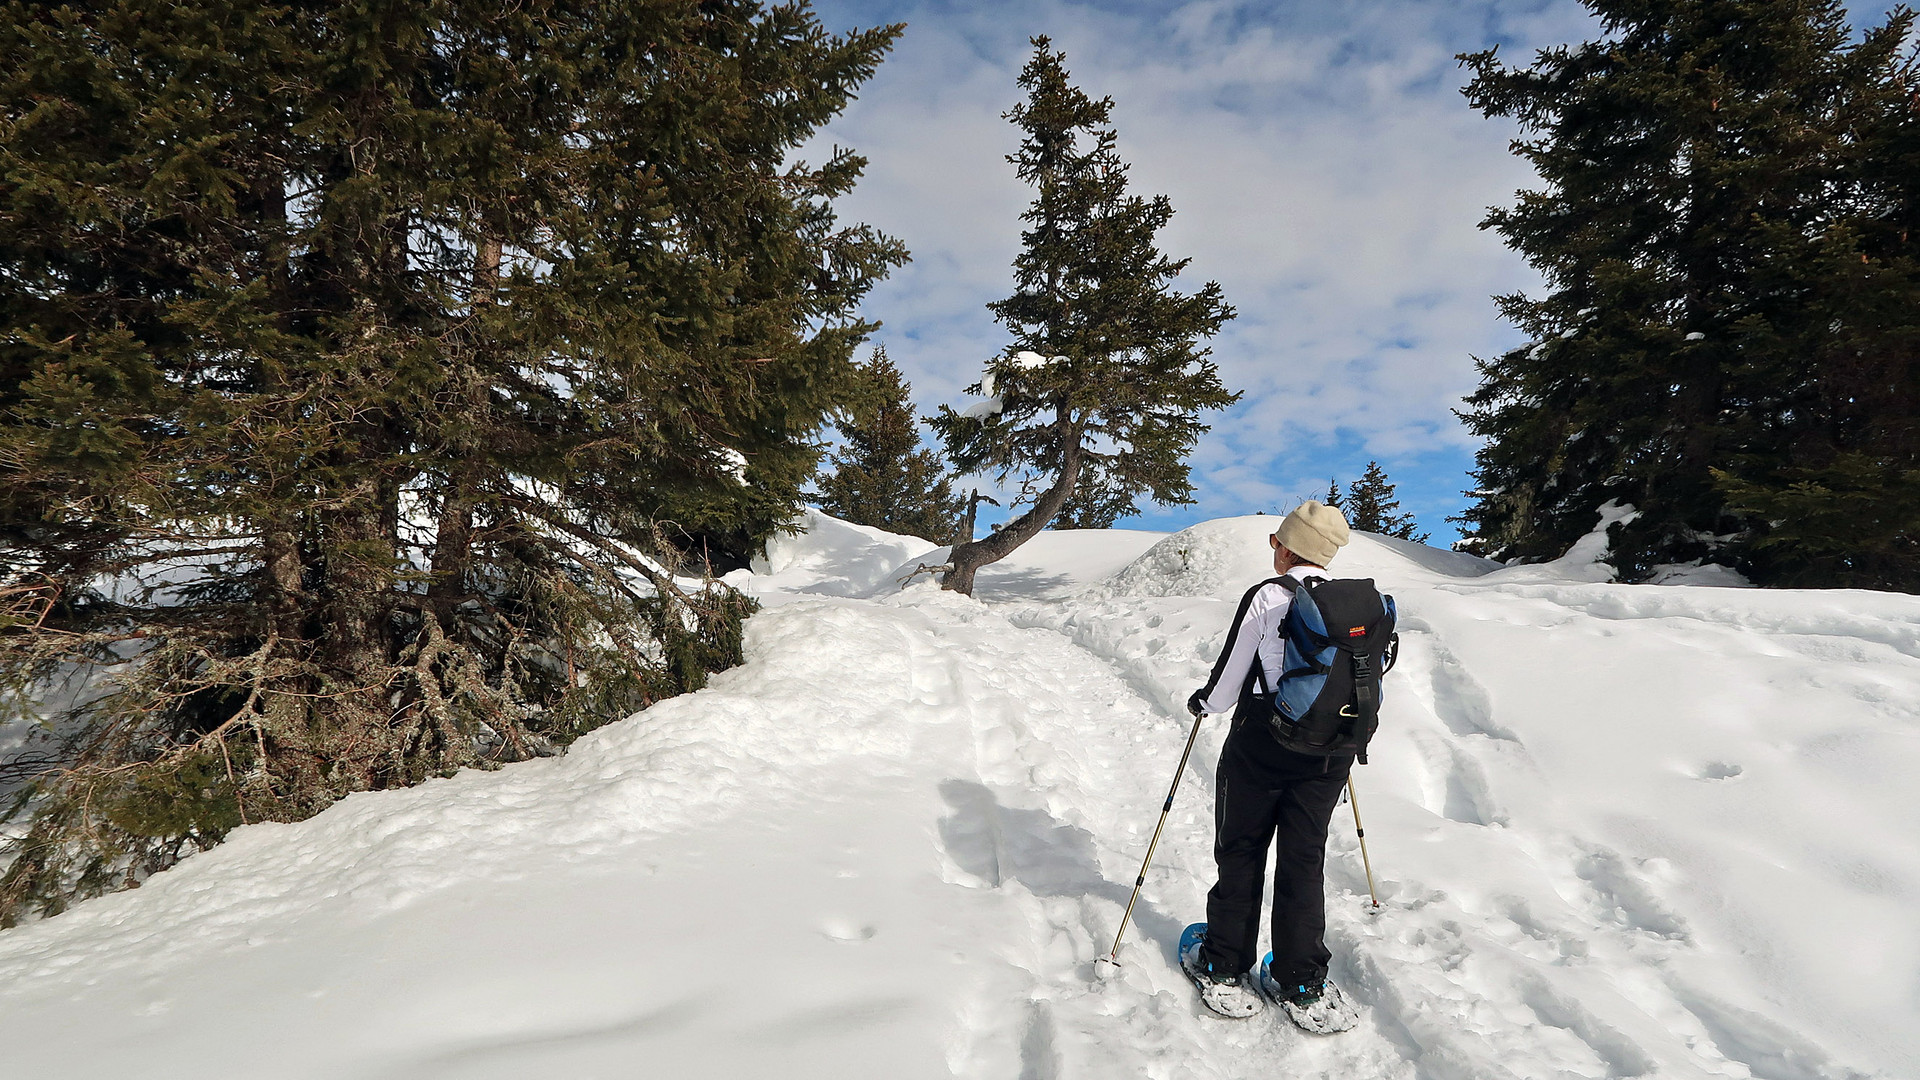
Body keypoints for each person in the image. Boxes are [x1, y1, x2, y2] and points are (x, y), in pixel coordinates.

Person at [1182, 500, 1359, 1023]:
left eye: (1277, 540)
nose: (1274, 549)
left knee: (1241, 849)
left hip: (1261, 742)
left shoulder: (1266, 596)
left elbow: (1231, 676)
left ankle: (1224, 964)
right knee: (1304, 860)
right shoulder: (1350, 606)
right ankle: (1299, 979)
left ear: (1289, 547)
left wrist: (1204, 704)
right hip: (1330, 751)